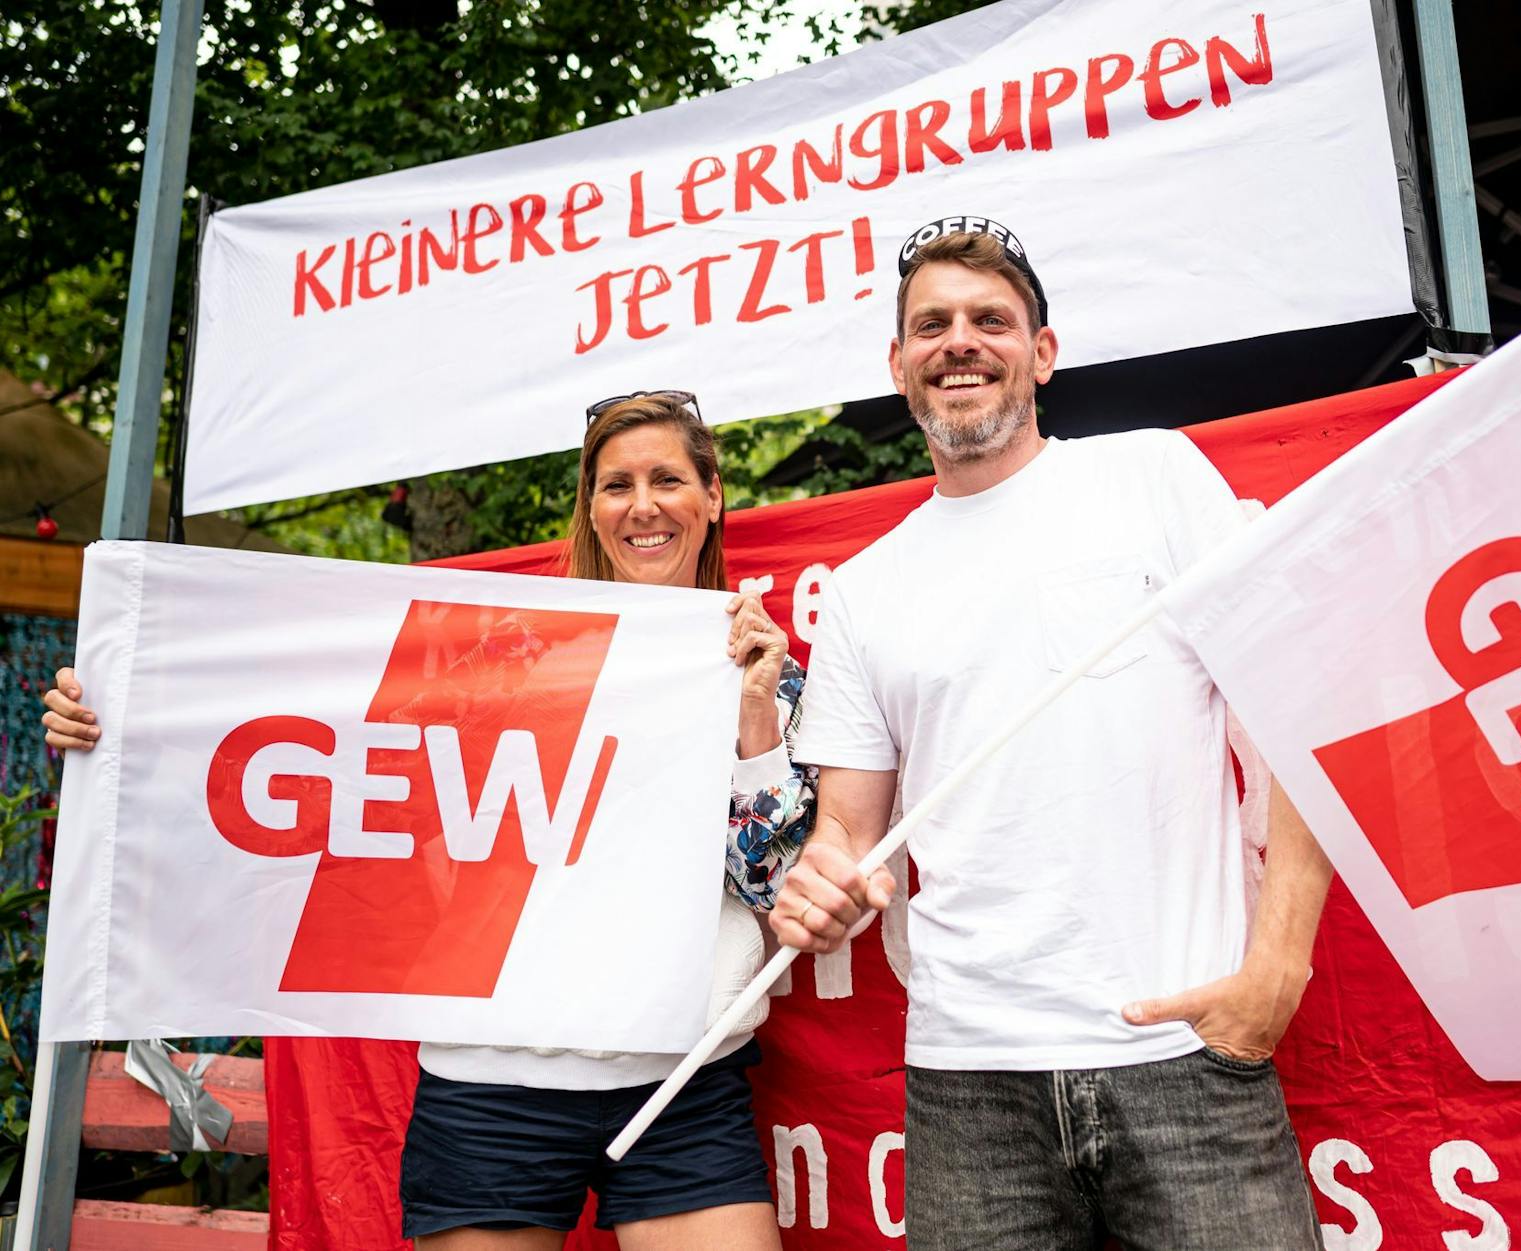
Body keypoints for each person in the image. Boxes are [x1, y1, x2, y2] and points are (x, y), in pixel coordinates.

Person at [43, 392, 809, 1251]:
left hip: (682, 1088)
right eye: (615, 483)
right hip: (493, 1084)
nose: (642, 505)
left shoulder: (767, 674)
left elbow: (781, 894)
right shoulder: (507, 655)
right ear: (589, 506)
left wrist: (753, 725)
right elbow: (333, 762)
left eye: (667, 478)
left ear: (711, 495)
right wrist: (117, 724)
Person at [766, 219, 1333, 1250]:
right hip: (965, 1085)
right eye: (930, 325)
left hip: (1187, 1055)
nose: (959, 341)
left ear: (1043, 351)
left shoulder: (1153, 478)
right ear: (897, 367)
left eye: (990, 319)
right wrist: (819, 887)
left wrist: (1276, 972)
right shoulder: (861, 592)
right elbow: (844, 838)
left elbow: (1300, 713)